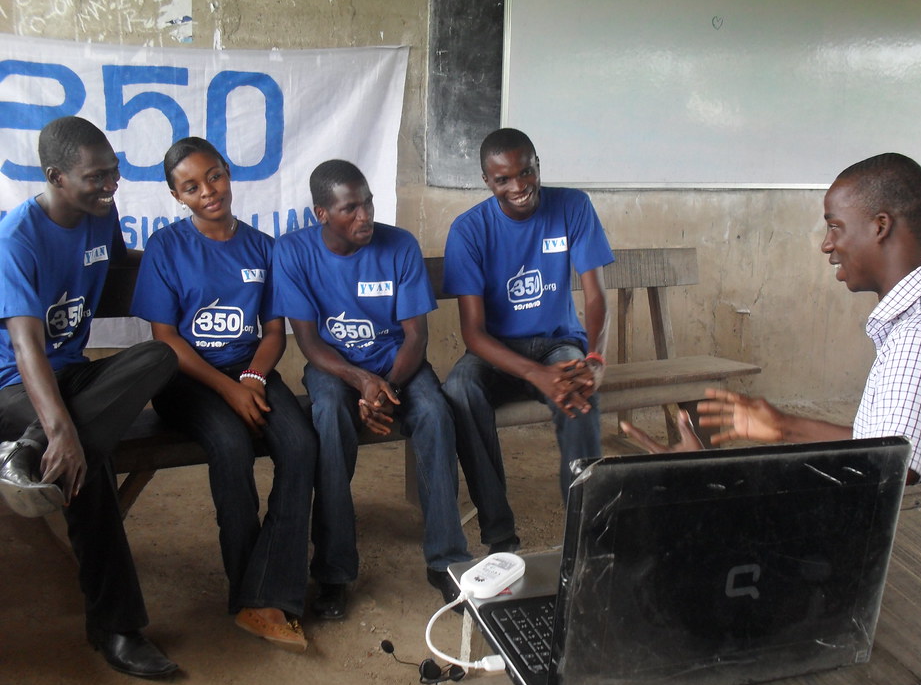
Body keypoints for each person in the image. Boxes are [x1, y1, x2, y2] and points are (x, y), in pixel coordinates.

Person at [622, 152, 921, 485]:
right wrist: (784, 426)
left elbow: (878, 483)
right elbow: (886, 444)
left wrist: (712, 475)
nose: (826, 244)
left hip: (920, 548)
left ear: (880, 226)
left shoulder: (917, 341)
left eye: (835, 225)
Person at [0, 116, 179, 677]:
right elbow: (27, 348)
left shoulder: (103, 218)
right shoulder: (16, 237)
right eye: (95, 177)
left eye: (114, 172)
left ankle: (26, 454)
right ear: (55, 176)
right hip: (13, 387)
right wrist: (60, 430)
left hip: (72, 376)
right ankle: (118, 628)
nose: (110, 185)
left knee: (159, 357)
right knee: (85, 464)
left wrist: (188, 264)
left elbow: (124, 263)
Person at [130, 137, 316, 651]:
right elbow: (165, 341)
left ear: (228, 173)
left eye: (214, 176)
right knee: (231, 448)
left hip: (248, 371)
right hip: (187, 382)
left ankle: (269, 591)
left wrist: (252, 380)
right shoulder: (167, 248)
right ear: (177, 196)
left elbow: (274, 331)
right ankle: (246, 593)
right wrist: (228, 392)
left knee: (301, 446)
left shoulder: (262, 246)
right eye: (191, 187)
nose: (208, 191)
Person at [273, 159, 471, 615]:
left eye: (368, 203)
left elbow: (416, 336)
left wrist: (384, 387)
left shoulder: (399, 245)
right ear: (322, 214)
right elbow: (307, 341)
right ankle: (334, 573)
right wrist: (361, 381)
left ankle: (446, 561)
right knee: (327, 418)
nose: (365, 216)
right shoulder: (293, 252)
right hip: (335, 367)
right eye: (350, 209)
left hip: (399, 362)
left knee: (436, 415)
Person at [442, 128, 614, 553]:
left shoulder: (573, 206)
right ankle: (500, 537)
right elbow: (473, 333)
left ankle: (587, 537)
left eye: (526, 172)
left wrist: (594, 358)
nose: (519, 187)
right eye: (504, 179)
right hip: (498, 352)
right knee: (459, 390)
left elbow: (595, 295)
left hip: (558, 344)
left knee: (578, 392)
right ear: (488, 181)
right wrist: (537, 375)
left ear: (537, 164)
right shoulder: (469, 230)